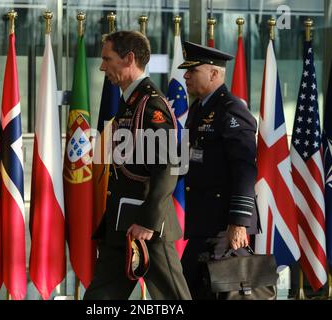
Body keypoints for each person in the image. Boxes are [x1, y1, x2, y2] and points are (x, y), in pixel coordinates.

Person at [83, 30, 191, 300]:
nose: (102, 66)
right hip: (122, 226)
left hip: (147, 230)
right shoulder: (130, 102)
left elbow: (168, 166)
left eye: (108, 59)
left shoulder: (151, 103)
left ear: (129, 58)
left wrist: (148, 221)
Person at [178, 41, 259, 299]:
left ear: (214, 73)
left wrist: (239, 223)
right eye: (186, 70)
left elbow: (244, 168)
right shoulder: (198, 109)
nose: (186, 76)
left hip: (224, 225)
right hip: (203, 220)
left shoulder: (231, 109)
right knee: (196, 288)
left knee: (221, 291)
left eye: (193, 70)